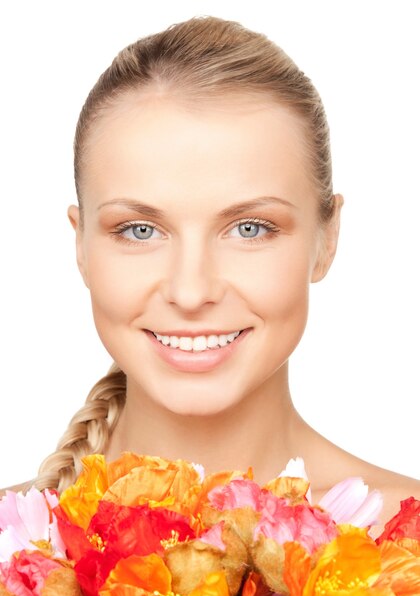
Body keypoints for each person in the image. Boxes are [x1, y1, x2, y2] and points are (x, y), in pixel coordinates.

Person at [1, 15, 418, 536]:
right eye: (138, 230)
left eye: (249, 228)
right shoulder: (10, 548)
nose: (191, 291)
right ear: (79, 244)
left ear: (326, 238)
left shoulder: (407, 544)